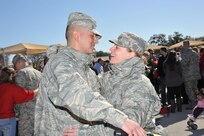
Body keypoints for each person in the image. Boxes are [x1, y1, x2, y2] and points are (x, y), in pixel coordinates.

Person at [34, 12, 146, 136]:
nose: (96, 41)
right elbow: (77, 95)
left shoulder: (87, 71)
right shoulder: (60, 63)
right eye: (92, 36)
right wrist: (122, 121)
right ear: (77, 36)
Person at [99, 32, 165, 135]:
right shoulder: (106, 77)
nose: (110, 49)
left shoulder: (140, 84)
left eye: (117, 47)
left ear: (131, 54)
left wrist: (83, 132)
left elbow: (128, 128)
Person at [0, 67, 38, 136]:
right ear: (10, 76)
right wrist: (39, 88)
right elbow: (30, 95)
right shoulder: (12, 88)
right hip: (8, 121)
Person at [12, 54, 41, 136]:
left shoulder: (21, 73)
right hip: (39, 111)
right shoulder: (39, 73)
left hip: (26, 113)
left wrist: (16, 111)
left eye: (15, 66)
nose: (16, 69)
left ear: (19, 62)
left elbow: (18, 95)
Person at [180, 41, 201, 109]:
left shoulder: (185, 54)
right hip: (195, 74)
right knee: (195, 89)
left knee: (189, 90)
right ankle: (200, 102)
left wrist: (179, 58)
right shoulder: (195, 53)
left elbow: (183, 63)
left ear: (184, 45)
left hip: (188, 75)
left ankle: (193, 104)